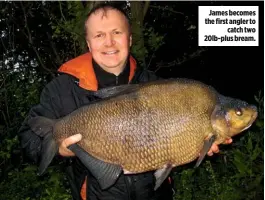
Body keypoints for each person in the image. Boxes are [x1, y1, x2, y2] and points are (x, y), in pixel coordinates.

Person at [18, 3, 232, 200]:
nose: (109, 42)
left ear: (129, 39)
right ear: (88, 44)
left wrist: (196, 146)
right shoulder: (61, 90)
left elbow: (172, 147)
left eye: (117, 33)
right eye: (99, 35)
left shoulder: (158, 87)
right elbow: (28, 140)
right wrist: (60, 150)